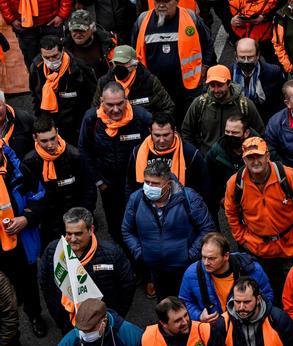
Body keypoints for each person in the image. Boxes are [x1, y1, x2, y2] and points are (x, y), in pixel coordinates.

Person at [223, 137, 293, 291]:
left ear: (268, 156)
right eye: (250, 158)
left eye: (259, 156)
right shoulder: (235, 183)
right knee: (267, 292)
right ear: (244, 160)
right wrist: (242, 238)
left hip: (292, 245)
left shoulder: (289, 176)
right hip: (258, 248)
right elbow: (231, 213)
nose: (255, 161)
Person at [122, 158, 214, 299]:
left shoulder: (188, 198)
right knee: (166, 308)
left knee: (191, 304)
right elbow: (127, 230)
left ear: (168, 184)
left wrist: (190, 255)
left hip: (187, 268)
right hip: (156, 270)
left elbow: (207, 228)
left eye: (155, 183)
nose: (149, 187)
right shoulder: (136, 199)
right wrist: (140, 253)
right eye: (147, 182)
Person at [37, 209, 134, 335]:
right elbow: (45, 283)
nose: (72, 239)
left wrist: (114, 316)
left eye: (78, 234)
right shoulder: (53, 251)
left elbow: (127, 285)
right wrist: (57, 314)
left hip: (103, 323)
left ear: (91, 230)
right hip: (68, 323)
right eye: (68, 233)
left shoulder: (111, 253)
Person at [84, 82, 157, 240]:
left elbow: (157, 146)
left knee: (141, 219)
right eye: (110, 105)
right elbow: (84, 150)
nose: (116, 109)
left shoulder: (142, 117)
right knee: (115, 223)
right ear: (101, 101)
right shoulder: (91, 119)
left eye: (119, 104)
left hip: (138, 182)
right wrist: (98, 181)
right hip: (108, 184)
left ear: (126, 100)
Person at [134, 0, 216, 117]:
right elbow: (134, 50)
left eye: (166, 1)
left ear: (177, 0)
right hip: (156, 89)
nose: (160, 5)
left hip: (187, 87)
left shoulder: (191, 18)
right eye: (157, 1)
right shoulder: (142, 21)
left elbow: (207, 43)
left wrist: (205, 67)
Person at [22, 117, 96, 250]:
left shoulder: (75, 156)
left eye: (52, 138)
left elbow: (89, 189)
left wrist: (83, 218)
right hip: (48, 225)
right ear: (35, 138)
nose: (50, 145)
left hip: (75, 222)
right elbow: (28, 194)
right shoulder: (29, 162)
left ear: (57, 132)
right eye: (44, 141)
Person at [178, 232, 275, 322]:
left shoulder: (251, 269)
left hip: (246, 325)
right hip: (212, 329)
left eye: (212, 258)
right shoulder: (192, 273)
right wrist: (199, 316)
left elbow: (267, 297)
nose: (206, 263)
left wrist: (250, 315)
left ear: (226, 256)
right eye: (203, 257)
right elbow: (184, 302)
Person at [179, 65, 265, 155]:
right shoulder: (199, 103)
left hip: (237, 160)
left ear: (228, 84)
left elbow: (259, 134)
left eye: (220, 85)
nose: (216, 90)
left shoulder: (245, 105)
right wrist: (196, 155)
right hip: (207, 159)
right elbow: (186, 133)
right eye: (212, 85)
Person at [30, 36, 96, 154]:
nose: (51, 61)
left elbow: (91, 96)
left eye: (55, 56)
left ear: (62, 51)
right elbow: (35, 95)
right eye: (46, 57)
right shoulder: (36, 67)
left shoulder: (79, 68)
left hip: (75, 125)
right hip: (50, 125)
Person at [129, 111, 211, 205]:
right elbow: (130, 185)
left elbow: (204, 187)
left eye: (166, 135)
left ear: (174, 130)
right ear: (150, 131)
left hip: (182, 207)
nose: (162, 140)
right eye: (157, 135)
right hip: (146, 208)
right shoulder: (138, 152)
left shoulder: (190, 153)